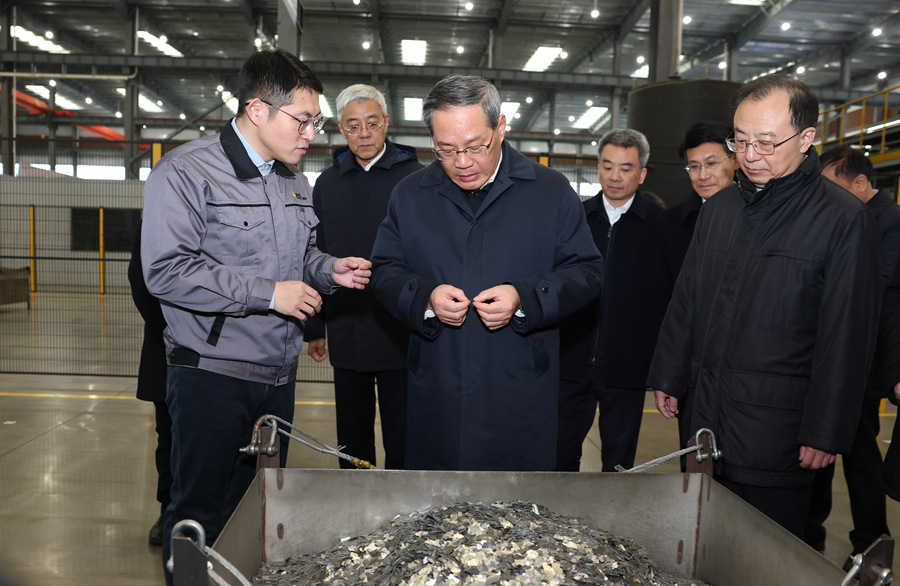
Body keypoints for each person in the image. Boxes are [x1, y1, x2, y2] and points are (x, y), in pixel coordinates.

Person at [141, 49, 372, 583]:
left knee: (255, 514)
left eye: (315, 122)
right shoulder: (187, 171)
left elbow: (300, 258)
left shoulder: (292, 179)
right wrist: (269, 295)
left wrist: (329, 269)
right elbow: (167, 271)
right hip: (211, 374)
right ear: (257, 110)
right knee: (198, 515)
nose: (311, 134)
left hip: (277, 376)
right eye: (303, 120)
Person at [647, 74, 882, 539]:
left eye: (766, 142)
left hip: (778, 430)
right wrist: (669, 374)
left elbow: (847, 336)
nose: (750, 155)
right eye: (740, 140)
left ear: (806, 138)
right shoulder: (720, 209)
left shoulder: (843, 220)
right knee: (704, 544)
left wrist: (825, 430)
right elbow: (687, 298)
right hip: (704, 423)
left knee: (766, 551)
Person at [369, 75, 605, 471]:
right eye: (446, 150)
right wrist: (425, 297)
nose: (462, 162)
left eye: (475, 146)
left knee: (517, 501)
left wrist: (525, 297)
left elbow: (587, 271)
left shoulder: (550, 191)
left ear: (501, 127)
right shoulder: (410, 195)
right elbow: (384, 271)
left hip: (520, 388)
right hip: (438, 385)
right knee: (438, 500)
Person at [305, 84, 423, 469]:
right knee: (352, 440)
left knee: (405, 435)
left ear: (386, 122)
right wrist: (315, 326)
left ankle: (405, 503)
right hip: (347, 327)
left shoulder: (417, 180)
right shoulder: (327, 183)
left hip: (402, 331)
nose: (364, 134)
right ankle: (354, 499)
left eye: (372, 123)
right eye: (353, 126)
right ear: (341, 129)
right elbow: (314, 252)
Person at [804, 146, 898, 566]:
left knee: (860, 457)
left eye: (833, 186)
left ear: (860, 183)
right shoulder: (843, 217)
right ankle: (810, 534)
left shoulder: (891, 223)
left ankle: (871, 547)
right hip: (832, 359)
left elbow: (874, 287)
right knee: (817, 452)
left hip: (864, 368)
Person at [556, 128, 666, 472]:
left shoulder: (661, 226)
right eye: (607, 166)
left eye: (626, 168)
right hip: (571, 361)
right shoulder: (574, 219)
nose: (615, 176)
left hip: (626, 367)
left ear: (641, 174)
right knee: (558, 457)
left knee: (618, 465)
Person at [655, 121, 736, 463]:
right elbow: (671, 307)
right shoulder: (672, 224)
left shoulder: (761, 220)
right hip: (691, 371)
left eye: (711, 163)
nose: (702, 175)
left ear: (734, 159)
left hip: (741, 370)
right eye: (694, 166)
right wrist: (668, 376)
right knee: (694, 463)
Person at [127, 220, 171, 546]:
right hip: (166, 344)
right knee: (168, 436)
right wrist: (174, 327)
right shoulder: (157, 217)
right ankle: (169, 509)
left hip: (224, 349)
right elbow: (141, 281)